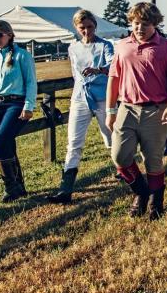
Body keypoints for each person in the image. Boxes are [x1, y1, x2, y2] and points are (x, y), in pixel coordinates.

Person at [107, 2, 167, 221]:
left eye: (145, 24)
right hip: (127, 108)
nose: (139, 28)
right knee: (120, 156)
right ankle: (141, 192)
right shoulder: (122, 46)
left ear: (155, 24)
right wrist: (110, 110)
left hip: (156, 109)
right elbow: (113, 78)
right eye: (135, 23)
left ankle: (155, 202)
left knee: (153, 159)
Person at [44, 10, 114, 204]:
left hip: (101, 97)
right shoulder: (72, 47)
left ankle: (123, 170)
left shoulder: (105, 45)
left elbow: (113, 67)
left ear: (95, 26)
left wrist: (98, 70)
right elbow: (76, 73)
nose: (86, 31)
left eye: (90, 27)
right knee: (74, 142)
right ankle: (65, 189)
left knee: (109, 136)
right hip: (80, 98)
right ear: (76, 28)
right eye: (82, 28)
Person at [0, 19, 36, 202]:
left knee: (0, 142)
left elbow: (31, 82)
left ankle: (10, 187)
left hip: (15, 104)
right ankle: (19, 187)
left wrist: (29, 106)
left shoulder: (22, 55)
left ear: (9, 35)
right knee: (7, 143)